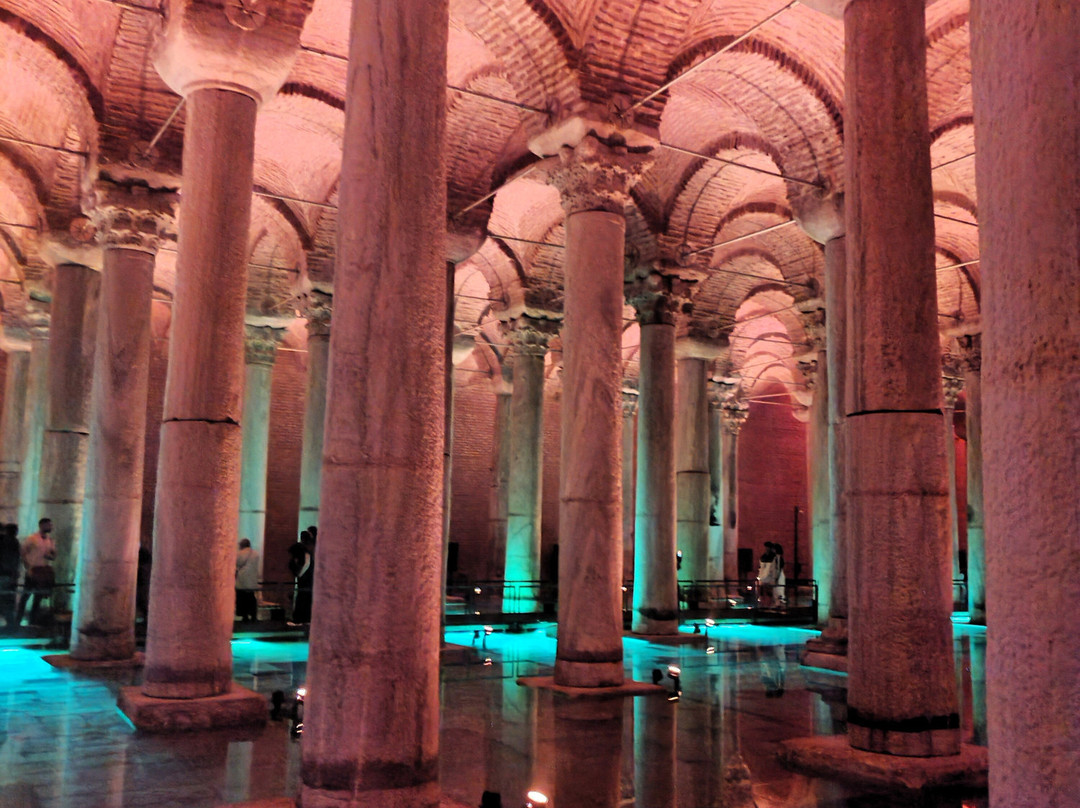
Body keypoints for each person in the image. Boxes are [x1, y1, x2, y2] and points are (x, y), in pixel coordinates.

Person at [16, 518, 55, 626]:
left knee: (38, 597)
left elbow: (53, 556)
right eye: (49, 525)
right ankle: (18, 620)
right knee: (25, 596)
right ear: (42, 525)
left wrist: (51, 554)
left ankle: (32, 621)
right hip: (33, 570)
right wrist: (27, 567)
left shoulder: (49, 540)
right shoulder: (32, 538)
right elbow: (23, 552)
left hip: (43, 571)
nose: (51, 527)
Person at [288, 530, 314, 625]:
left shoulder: (300, 550)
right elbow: (307, 564)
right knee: (305, 598)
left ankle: (299, 618)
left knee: (301, 597)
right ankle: (305, 618)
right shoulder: (307, 551)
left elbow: (305, 564)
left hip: (303, 579)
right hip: (307, 579)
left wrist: (299, 574)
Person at [0, 523, 21, 629]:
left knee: (5, 598)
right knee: (8, 599)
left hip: (4, 573)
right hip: (8, 574)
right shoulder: (13, 541)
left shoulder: (5, 541)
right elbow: (15, 559)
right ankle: (10, 624)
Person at [235, 538, 260, 623]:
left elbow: (237, 563)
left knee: (242, 598)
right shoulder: (256, 554)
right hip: (252, 579)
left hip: (242, 579)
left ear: (242, 545)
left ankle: (245, 616)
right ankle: (253, 615)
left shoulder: (240, 554)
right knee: (251, 597)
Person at [756, 543, 778, 608]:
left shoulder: (773, 557)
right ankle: (763, 604)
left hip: (769, 578)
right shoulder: (763, 557)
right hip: (763, 577)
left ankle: (769, 605)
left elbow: (773, 568)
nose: (766, 549)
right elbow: (761, 567)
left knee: (769, 592)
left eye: (768, 548)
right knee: (762, 592)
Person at [772, 542, 787, 607]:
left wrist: (776, 578)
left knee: (778, 591)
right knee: (778, 591)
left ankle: (779, 604)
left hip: (779, 576)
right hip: (779, 575)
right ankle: (778, 604)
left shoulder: (777, 558)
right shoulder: (778, 558)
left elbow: (778, 568)